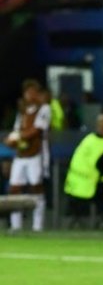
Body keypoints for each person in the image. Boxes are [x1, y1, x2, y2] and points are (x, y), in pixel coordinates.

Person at [4, 79, 50, 231]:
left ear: (38, 94)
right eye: (27, 92)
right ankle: (16, 226)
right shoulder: (22, 112)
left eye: (33, 92)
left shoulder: (44, 109)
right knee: (14, 188)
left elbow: (37, 130)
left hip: (37, 155)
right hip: (21, 156)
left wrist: (17, 137)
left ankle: (38, 226)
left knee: (36, 187)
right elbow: (18, 131)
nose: (29, 95)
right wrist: (12, 140)